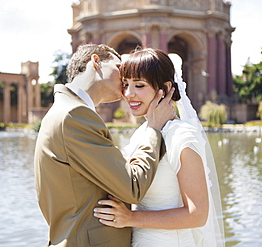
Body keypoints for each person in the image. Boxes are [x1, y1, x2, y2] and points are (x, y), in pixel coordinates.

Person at [34, 44, 175, 247]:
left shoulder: (67, 111)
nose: (125, 82)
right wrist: (154, 128)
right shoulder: (74, 116)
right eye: (120, 69)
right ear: (96, 62)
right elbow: (132, 186)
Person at [93, 48, 225, 246]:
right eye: (126, 84)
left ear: (164, 87)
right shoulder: (143, 133)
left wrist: (129, 218)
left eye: (139, 85)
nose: (129, 94)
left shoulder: (182, 136)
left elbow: (197, 215)